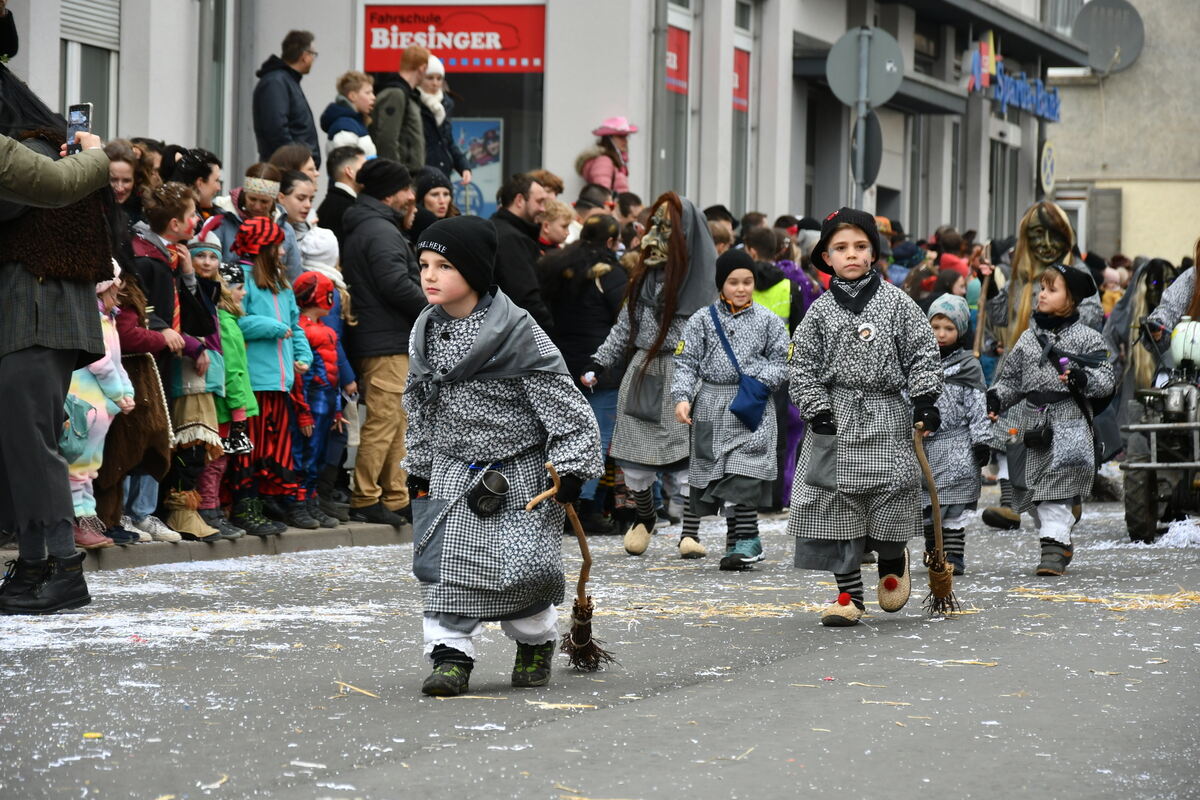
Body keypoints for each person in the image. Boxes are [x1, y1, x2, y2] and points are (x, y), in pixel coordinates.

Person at [404, 215, 603, 697]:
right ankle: (450, 656)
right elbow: (420, 403)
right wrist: (420, 467)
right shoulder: (425, 330)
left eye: (444, 266)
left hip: (518, 473)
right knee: (446, 569)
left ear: (473, 271)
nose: (429, 276)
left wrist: (572, 468)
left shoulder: (518, 332)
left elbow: (564, 403)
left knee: (522, 569)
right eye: (424, 265)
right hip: (452, 470)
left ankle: (535, 643)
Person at [787, 209, 942, 628]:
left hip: (886, 411)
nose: (851, 254)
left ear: (873, 252)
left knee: (893, 492)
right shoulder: (818, 313)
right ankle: (848, 595)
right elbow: (802, 367)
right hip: (835, 416)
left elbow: (923, 352)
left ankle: (892, 557)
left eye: (860, 246)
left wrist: (925, 399)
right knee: (835, 501)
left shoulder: (898, 303)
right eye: (841, 248)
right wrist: (816, 409)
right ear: (826, 257)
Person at [0, 125, 112, 616]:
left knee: (31, 444)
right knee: (22, 446)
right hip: (33, 315)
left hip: (36, 315)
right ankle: (33, 566)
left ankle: (63, 567)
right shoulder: (50, 155)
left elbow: (31, 196)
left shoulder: (37, 155)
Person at [586, 192, 717, 556]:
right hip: (644, 373)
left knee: (687, 459)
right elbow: (624, 325)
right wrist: (600, 361)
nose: (655, 234)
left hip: (685, 374)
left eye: (666, 227)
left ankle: (689, 532)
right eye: (654, 225)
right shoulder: (643, 279)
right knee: (636, 458)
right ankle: (644, 518)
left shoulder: (704, 287)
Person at [987, 264, 1115, 576]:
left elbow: (1106, 380)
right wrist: (996, 398)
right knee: (1034, 494)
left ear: (1071, 299)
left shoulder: (1088, 339)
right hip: (1032, 423)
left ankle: (1053, 551)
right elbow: (1011, 380)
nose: (1041, 294)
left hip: (1070, 423)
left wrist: (1082, 378)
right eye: (1042, 288)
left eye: (1051, 289)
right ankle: (1060, 534)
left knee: (1056, 490)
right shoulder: (1028, 338)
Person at [671, 250, 789, 567]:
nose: (741, 288)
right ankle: (735, 543)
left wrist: (761, 381)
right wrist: (681, 397)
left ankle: (749, 539)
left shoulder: (768, 320)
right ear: (721, 284)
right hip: (711, 405)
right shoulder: (701, 320)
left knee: (743, 470)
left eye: (747, 282)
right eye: (733, 282)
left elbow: (782, 360)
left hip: (750, 405)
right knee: (718, 474)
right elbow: (685, 362)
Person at [340, 159, 426, 527]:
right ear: (390, 194)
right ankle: (365, 497)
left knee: (397, 421)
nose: (411, 196)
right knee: (384, 421)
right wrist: (433, 306)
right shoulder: (379, 229)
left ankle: (394, 497)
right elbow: (395, 284)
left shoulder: (376, 226)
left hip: (387, 339)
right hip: (384, 341)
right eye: (406, 188)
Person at [539, 214, 628, 534]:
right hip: (600, 365)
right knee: (597, 438)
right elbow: (625, 320)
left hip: (562, 361)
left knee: (564, 436)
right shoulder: (611, 274)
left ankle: (561, 498)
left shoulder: (557, 266)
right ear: (610, 242)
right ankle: (583, 506)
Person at [229, 217, 316, 532]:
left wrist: (303, 355)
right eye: (277, 245)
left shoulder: (283, 285)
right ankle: (245, 507)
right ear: (261, 247)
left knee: (275, 448)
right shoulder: (242, 279)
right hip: (254, 380)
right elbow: (235, 321)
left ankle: (270, 501)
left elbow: (295, 326)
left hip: (280, 382)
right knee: (251, 447)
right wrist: (273, 327)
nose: (282, 251)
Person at [65, 266, 136, 549]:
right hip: (85, 403)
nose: (119, 291)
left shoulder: (108, 319)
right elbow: (100, 362)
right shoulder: (90, 318)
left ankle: (87, 516)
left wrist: (127, 393)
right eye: (116, 285)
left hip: (102, 405)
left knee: (89, 465)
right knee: (77, 464)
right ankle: (75, 520)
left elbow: (117, 363)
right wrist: (118, 393)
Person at [922, 294, 989, 575]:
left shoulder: (968, 367)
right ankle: (934, 551)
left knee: (953, 505)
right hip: (925, 446)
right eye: (935, 327)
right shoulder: (919, 363)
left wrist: (981, 440)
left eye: (948, 328)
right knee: (927, 505)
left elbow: (977, 406)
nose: (941, 334)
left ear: (960, 330)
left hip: (957, 444)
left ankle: (953, 556)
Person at [298, 227, 358, 522]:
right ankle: (311, 499)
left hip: (324, 392)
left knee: (320, 446)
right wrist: (348, 378)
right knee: (317, 447)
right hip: (319, 392)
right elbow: (333, 347)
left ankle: (314, 498)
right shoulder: (324, 292)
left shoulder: (311, 288)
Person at [195, 259, 257, 538]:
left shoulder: (229, 321)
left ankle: (215, 507)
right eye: (239, 287)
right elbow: (232, 372)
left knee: (220, 461)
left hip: (227, 405)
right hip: (226, 407)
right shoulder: (226, 324)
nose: (243, 293)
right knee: (216, 461)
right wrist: (238, 410)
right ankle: (209, 508)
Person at [291, 270, 345, 529]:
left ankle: (311, 501)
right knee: (305, 455)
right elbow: (300, 378)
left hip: (325, 403)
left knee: (319, 456)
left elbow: (334, 378)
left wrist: (337, 409)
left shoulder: (324, 330)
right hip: (311, 404)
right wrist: (303, 412)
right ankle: (298, 504)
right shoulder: (302, 330)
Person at [206, 163, 304, 281]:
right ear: (245, 193)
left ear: (275, 199)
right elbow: (207, 265)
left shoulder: (285, 230)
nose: (257, 206)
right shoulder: (222, 221)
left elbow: (294, 278)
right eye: (252, 199)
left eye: (264, 201)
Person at [491, 173, 554, 330]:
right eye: (539, 202)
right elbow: (525, 296)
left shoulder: (502, 230)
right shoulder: (511, 239)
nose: (543, 209)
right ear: (519, 200)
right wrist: (548, 331)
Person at [253, 30, 321, 168]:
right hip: (286, 170)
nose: (313, 59)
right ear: (304, 56)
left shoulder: (284, 81)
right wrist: (295, 162)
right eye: (313, 54)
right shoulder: (276, 82)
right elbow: (276, 129)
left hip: (292, 168)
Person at [370, 45, 428, 173]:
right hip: (398, 174)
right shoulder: (396, 94)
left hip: (405, 172)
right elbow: (387, 138)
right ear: (422, 68)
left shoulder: (407, 94)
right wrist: (394, 174)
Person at [416, 55, 471, 185]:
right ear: (420, 78)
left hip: (443, 173)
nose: (435, 83)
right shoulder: (412, 102)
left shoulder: (446, 104)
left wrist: (464, 167)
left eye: (439, 78)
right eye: (430, 78)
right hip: (418, 173)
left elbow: (448, 142)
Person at [103, 138, 158, 228]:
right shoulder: (92, 212)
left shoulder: (146, 213)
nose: (120, 188)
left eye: (126, 181)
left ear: (136, 179)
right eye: (113, 180)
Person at [316, 145, 366, 245]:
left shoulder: (330, 202)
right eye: (364, 167)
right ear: (349, 171)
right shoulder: (348, 209)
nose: (369, 171)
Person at [321, 70, 377, 158]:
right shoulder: (345, 126)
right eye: (368, 93)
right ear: (352, 96)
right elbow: (348, 164)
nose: (373, 97)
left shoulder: (354, 122)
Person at [160, 146, 223, 223]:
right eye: (216, 180)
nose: (219, 188)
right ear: (200, 183)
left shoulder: (217, 216)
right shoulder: (186, 224)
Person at [576, 117, 636, 194]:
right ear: (609, 139)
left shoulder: (612, 160)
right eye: (621, 137)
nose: (625, 141)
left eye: (626, 137)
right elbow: (602, 193)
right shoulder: (604, 161)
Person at [278, 170, 316, 241]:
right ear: (281, 198)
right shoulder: (269, 229)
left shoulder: (308, 232)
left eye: (311, 200)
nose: (308, 205)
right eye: (301, 198)